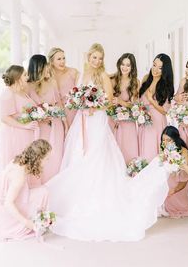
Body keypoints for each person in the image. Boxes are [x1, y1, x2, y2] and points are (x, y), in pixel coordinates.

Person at [47, 43, 169, 242]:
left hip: (97, 118)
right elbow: (76, 95)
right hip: (83, 119)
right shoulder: (82, 75)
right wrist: (82, 103)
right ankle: (78, 195)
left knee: (98, 153)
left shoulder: (104, 76)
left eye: (100, 58)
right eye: (94, 58)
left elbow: (108, 99)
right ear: (88, 58)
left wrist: (94, 104)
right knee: (79, 152)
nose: (97, 61)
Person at [0, 139, 51, 240]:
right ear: (38, 159)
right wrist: (26, 222)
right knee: (43, 192)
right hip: (3, 209)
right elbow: (8, 203)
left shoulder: (19, 161)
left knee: (43, 191)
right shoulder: (19, 176)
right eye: (46, 159)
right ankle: (35, 222)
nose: (48, 161)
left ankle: (39, 220)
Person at [27, 54, 66, 183]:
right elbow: (26, 108)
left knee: (56, 154)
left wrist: (66, 124)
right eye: (45, 65)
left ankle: (55, 184)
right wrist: (38, 116)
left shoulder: (52, 82)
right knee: (41, 155)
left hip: (55, 124)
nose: (47, 68)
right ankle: (40, 183)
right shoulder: (28, 85)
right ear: (38, 67)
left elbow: (59, 104)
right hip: (40, 126)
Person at [0, 65, 38, 172]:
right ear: (17, 78)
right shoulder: (8, 93)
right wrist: (24, 126)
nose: (27, 77)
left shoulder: (21, 92)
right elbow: (4, 117)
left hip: (25, 134)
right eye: (25, 75)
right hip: (16, 135)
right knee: (19, 164)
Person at [138, 54, 174, 162]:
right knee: (144, 149)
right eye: (154, 65)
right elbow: (138, 100)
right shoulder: (145, 79)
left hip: (157, 121)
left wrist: (151, 101)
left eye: (160, 68)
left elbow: (164, 111)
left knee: (153, 150)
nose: (155, 69)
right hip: (144, 120)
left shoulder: (166, 85)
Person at [110, 53, 139, 163]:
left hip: (128, 121)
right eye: (123, 64)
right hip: (113, 119)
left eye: (128, 65)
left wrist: (121, 101)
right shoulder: (113, 79)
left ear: (132, 67)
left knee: (128, 148)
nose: (125, 67)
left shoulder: (135, 82)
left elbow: (134, 105)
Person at [161, 126, 188, 218]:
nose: (165, 143)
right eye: (163, 140)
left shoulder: (184, 153)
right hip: (170, 182)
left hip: (180, 187)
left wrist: (173, 190)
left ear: (176, 139)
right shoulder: (168, 150)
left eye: (169, 140)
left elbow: (184, 179)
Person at [48, 47, 79, 127]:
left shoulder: (73, 72)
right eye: (59, 59)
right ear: (51, 62)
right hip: (57, 114)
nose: (62, 61)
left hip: (73, 111)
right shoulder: (48, 76)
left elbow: (81, 90)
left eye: (64, 58)